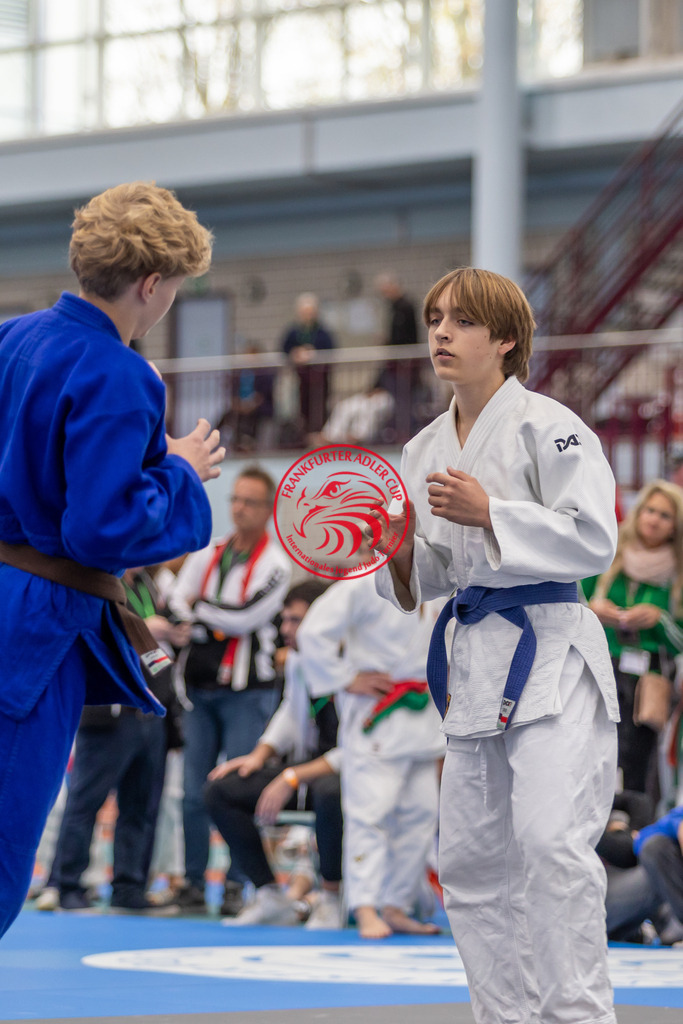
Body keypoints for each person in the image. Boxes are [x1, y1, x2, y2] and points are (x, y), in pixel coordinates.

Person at [371, 268, 620, 1024]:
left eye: (463, 322)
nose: (441, 333)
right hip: (475, 661)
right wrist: (399, 553)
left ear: (506, 339)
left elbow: (592, 538)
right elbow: (437, 575)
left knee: (551, 845)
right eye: (435, 317)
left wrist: (493, 512)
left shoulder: (550, 425)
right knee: (473, 865)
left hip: (549, 651)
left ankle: (576, 1016)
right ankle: (504, 1017)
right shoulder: (420, 448)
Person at [0, 181, 223, 940]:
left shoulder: (10, 340)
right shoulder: (122, 374)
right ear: (153, 285)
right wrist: (180, 471)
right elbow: (101, 530)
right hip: (35, 625)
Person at [168, 465, 291, 915]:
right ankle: (194, 882)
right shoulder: (209, 553)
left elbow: (244, 617)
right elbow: (176, 601)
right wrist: (201, 613)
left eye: (250, 502)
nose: (239, 508)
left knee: (239, 788)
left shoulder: (276, 564)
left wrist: (199, 613)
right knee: (191, 790)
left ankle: (242, 884)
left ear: (269, 508)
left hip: (247, 691)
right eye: (235, 499)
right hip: (199, 688)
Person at [297, 575, 445, 940]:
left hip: (423, 717)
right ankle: (364, 907)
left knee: (421, 815)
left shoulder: (437, 578)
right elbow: (312, 633)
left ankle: (396, 905)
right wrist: (344, 677)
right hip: (377, 714)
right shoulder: (364, 583)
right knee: (370, 815)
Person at [36, 568, 190, 914]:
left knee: (141, 808)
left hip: (150, 714)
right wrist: (146, 629)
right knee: (84, 803)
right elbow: (88, 629)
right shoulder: (97, 579)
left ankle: (129, 889)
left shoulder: (151, 584)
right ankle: (66, 885)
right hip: (107, 715)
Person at [204, 580, 344, 929]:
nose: (285, 630)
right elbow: (289, 714)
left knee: (330, 790)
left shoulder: (356, 659)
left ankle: (332, 897)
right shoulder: (299, 660)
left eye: (295, 621)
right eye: (284, 621)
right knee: (222, 790)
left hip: (358, 775)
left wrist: (292, 776)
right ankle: (270, 895)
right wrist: (258, 756)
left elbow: (358, 749)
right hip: (307, 771)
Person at [583, 479, 683, 795]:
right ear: (638, 512)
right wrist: (594, 610)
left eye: (664, 516)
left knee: (639, 761)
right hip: (600, 669)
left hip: (650, 682)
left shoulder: (678, 575)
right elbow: (570, 609)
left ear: (675, 526)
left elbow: (680, 642)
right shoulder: (608, 555)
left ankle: (634, 832)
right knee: (594, 752)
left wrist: (660, 620)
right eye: (649, 510)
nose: (653, 519)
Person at [280, 293, 335, 436]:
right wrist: (295, 353)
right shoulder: (294, 331)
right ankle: (304, 435)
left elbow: (330, 348)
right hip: (301, 378)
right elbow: (285, 348)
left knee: (320, 407)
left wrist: (314, 353)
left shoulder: (323, 331)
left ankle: (320, 435)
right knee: (302, 408)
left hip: (320, 378)